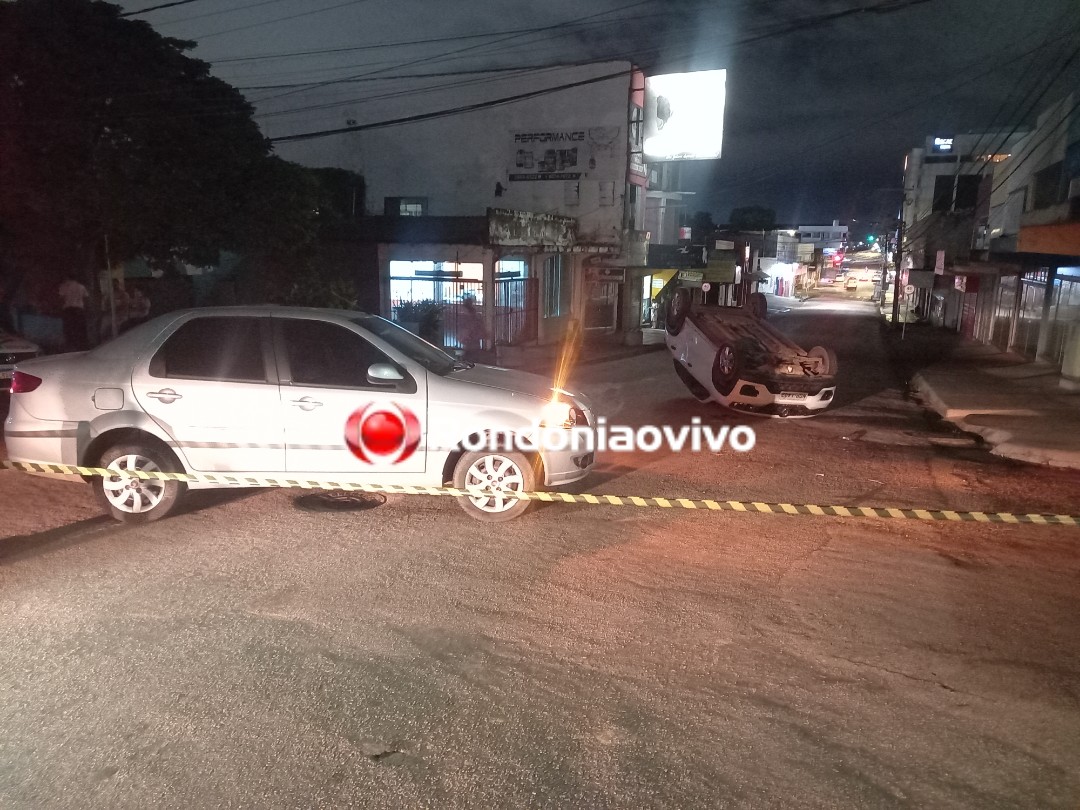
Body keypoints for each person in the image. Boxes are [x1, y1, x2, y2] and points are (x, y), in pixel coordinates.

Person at [58, 273, 89, 350]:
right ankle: (81, 346)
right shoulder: (81, 287)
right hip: (79, 309)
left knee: (69, 329)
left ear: (68, 277)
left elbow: (61, 298)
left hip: (68, 310)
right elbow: (86, 298)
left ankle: (71, 346)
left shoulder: (64, 286)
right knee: (80, 329)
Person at [460, 295, 489, 363]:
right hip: (474, 344)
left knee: (469, 361)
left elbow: (467, 330)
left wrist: (464, 337)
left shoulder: (468, 317)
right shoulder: (476, 316)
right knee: (474, 361)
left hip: (470, 344)